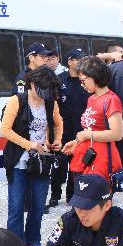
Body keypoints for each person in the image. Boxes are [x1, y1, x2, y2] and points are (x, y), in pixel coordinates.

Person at [1, 66, 63, 246]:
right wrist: (29, 144)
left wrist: (57, 141)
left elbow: (58, 123)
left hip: (41, 162)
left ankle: (33, 239)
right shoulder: (16, 100)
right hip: (19, 161)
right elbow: (5, 130)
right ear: (32, 83)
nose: (44, 95)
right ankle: (15, 244)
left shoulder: (50, 103)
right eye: (41, 90)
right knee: (17, 205)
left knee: (38, 204)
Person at [62, 56, 123, 182]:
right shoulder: (91, 98)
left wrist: (86, 135)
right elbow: (92, 128)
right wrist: (77, 141)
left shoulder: (111, 99)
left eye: (83, 80)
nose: (82, 84)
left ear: (95, 76)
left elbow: (117, 134)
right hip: (87, 155)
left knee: (96, 199)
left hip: (102, 158)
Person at [47, 48, 90, 210]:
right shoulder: (59, 80)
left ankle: (73, 196)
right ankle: (54, 196)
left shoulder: (86, 80)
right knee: (58, 166)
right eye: (78, 59)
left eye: (83, 59)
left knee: (77, 166)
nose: (81, 62)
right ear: (70, 61)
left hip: (80, 132)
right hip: (62, 132)